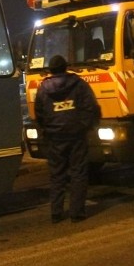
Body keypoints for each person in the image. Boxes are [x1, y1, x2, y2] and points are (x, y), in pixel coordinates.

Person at [34, 54, 101, 223]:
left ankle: (56, 213)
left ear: (51, 70)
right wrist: (85, 126)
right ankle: (76, 213)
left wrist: (47, 129)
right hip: (76, 136)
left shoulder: (43, 88)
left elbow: (39, 113)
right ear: (66, 67)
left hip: (55, 138)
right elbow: (90, 107)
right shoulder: (79, 85)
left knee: (57, 175)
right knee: (78, 173)